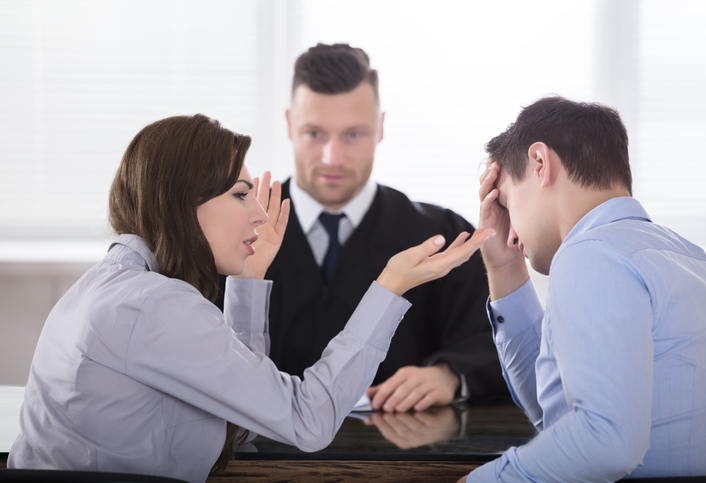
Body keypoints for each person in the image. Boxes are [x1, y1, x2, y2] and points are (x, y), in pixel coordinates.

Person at [6, 114, 492, 482]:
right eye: (241, 195)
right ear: (183, 203)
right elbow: (307, 420)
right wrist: (390, 287)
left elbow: (244, 411)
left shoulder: (112, 286)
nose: (260, 213)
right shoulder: (153, 305)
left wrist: (249, 281)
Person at [218, 43, 507, 412]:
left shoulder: (440, 235)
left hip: (403, 453)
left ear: (381, 127)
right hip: (259, 452)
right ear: (290, 125)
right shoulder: (234, 229)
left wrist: (450, 374)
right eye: (314, 134)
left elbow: (501, 339)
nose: (332, 158)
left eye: (353, 135)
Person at [462, 96, 706, 481]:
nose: (511, 232)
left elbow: (605, 440)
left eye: (506, 202)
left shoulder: (592, 253)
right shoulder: (692, 258)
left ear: (540, 163)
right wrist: (504, 266)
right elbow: (561, 410)